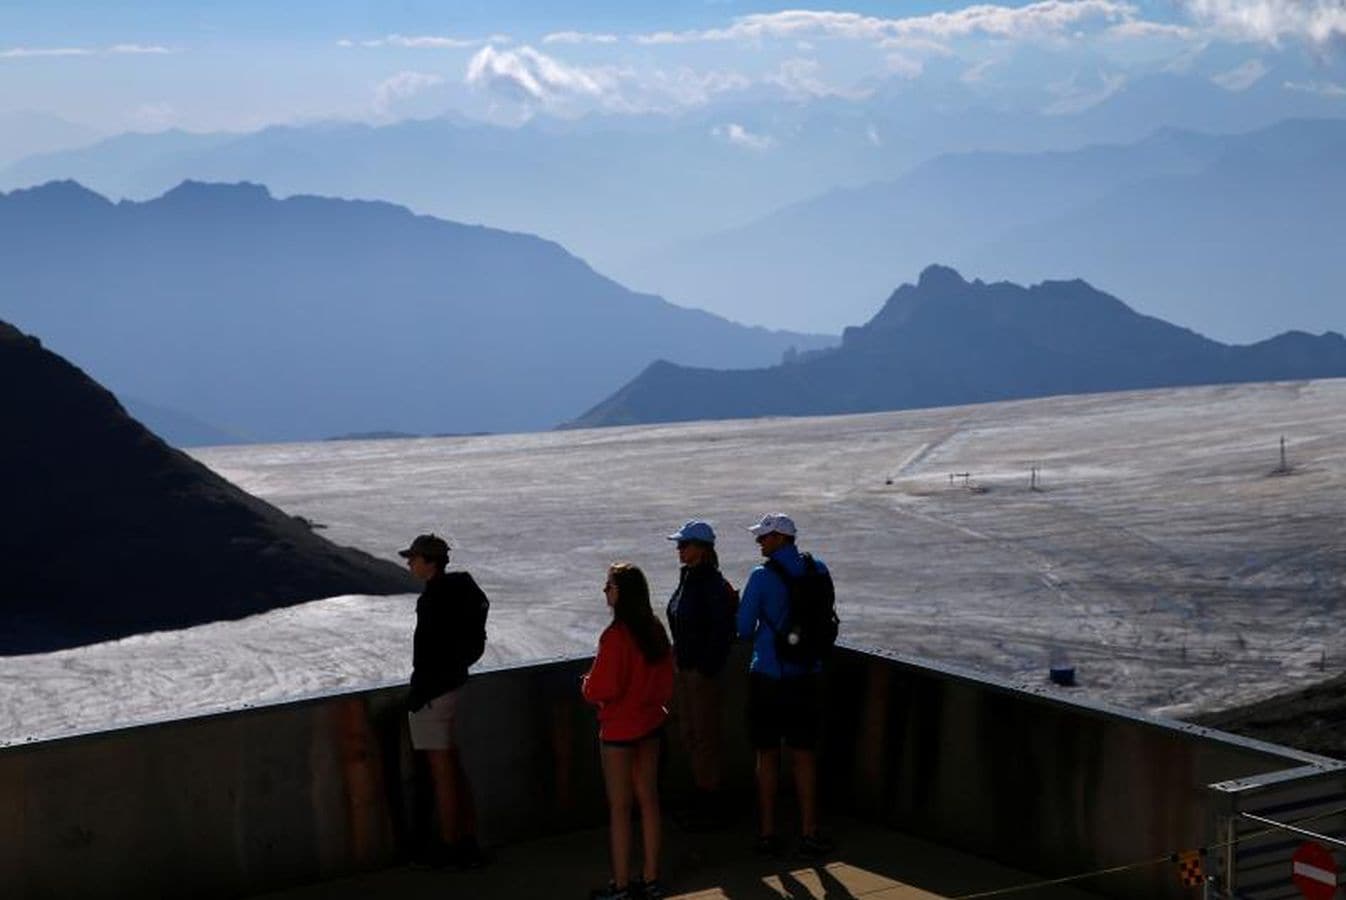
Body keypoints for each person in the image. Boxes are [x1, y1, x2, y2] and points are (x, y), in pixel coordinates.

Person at [737, 513, 835, 859]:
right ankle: (809, 831)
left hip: (770, 675)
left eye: (764, 537)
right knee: (804, 755)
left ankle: (767, 832)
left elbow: (744, 628)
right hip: (808, 674)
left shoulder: (762, 577)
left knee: (767, 755)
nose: (759, 542)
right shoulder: (819, 569)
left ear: (781, 538)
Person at [582, 563, 675, 900]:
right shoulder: (655, 631)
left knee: (620, 808)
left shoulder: (615, 637)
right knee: (648, 800)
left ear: (623, 593)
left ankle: (621, 884)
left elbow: (601, 689)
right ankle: (651, 877)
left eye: (609, 585)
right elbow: (666, 682)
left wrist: (586, 685)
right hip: (650, 726)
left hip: (620, 731)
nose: (605, 590)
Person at [400, 532, 490, 870]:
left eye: (414, 558)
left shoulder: (434, 600)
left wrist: (421, 693)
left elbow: (428, 653)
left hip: (433, 695)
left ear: (430, 563)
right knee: (452, 766)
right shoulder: (460, 591)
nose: (409, 563)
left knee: (442, 773)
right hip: (452, 686)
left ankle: (452, 847)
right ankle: (467, 839)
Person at [664, 520, 737, 829]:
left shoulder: (710, 585)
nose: (679, 549)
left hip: (700, 675)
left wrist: (704, 670)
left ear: (702, 549)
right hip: (686, 670)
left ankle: (710, 803)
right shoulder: (690, 579)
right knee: (691, 735)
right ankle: (702, 797)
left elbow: (723, 632)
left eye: (685, 544)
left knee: (705, 738)